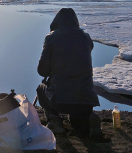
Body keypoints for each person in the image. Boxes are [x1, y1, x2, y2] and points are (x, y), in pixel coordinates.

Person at [36, 8, 101, 138]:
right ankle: (90, 118)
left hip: (61, 99)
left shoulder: (52, 37)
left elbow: (42, 71)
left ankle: (55, 121)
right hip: (87, 99)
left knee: (41, 89)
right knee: (79, 123)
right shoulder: (85, 37)